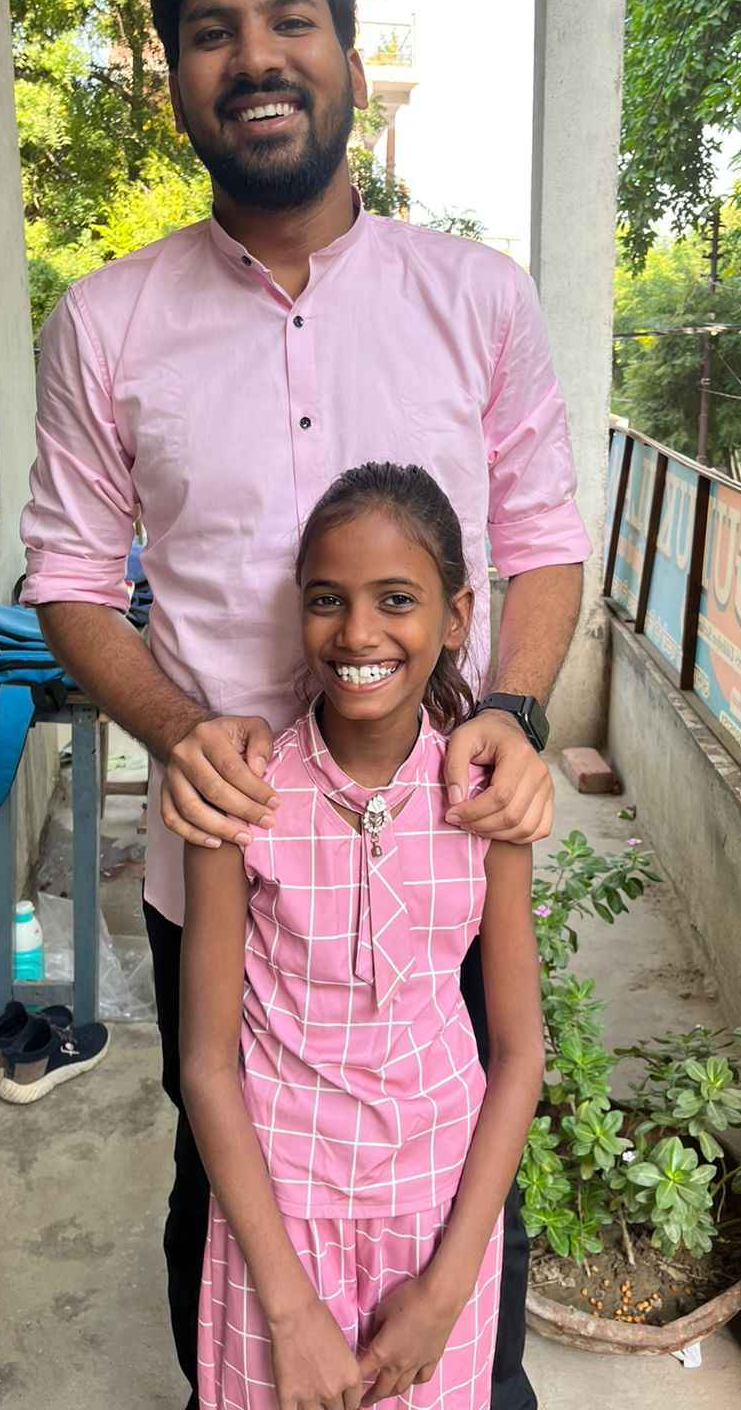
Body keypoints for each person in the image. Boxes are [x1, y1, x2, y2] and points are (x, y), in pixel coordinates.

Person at [19, 0, 590, 1410]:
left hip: (440, 853)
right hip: (224, 870)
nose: (254, 59)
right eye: (212, 34)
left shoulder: (474, 300)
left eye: (288, 21)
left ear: (344, 48)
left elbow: (541, 542)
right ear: (174, 78)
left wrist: (516, 717)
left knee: (466, 1196)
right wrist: (179, 733)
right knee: (225, 1204)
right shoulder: (108, 323)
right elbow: (71, 575)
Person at [182, 463, 544, 1410]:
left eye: (397, 600)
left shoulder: (486, 800)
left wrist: (450, 1283)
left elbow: (518, 1053)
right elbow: (209, 1067)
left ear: (457, 616)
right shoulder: (242, 796)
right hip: (278, 1231)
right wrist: (292, 1313)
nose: (358, 633)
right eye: (327, 601)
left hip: (436, 1223)